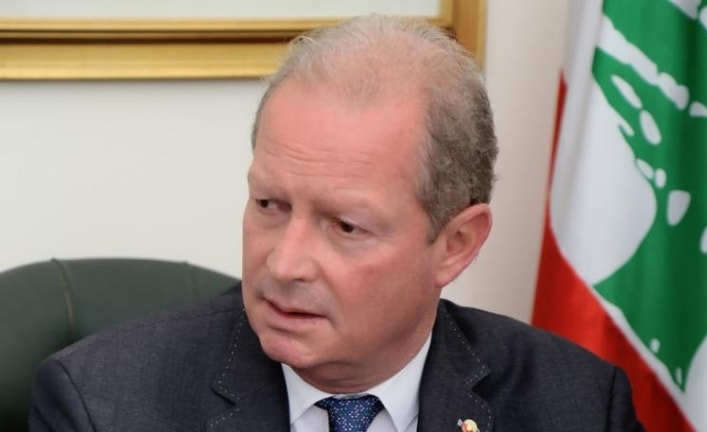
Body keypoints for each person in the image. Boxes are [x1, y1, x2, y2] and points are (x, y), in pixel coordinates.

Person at [29, 15, 643, 432]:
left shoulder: (578, 405)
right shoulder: (103, 404)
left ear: (456, 245)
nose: (284, 263)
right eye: (269, 205)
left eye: (346, 227)